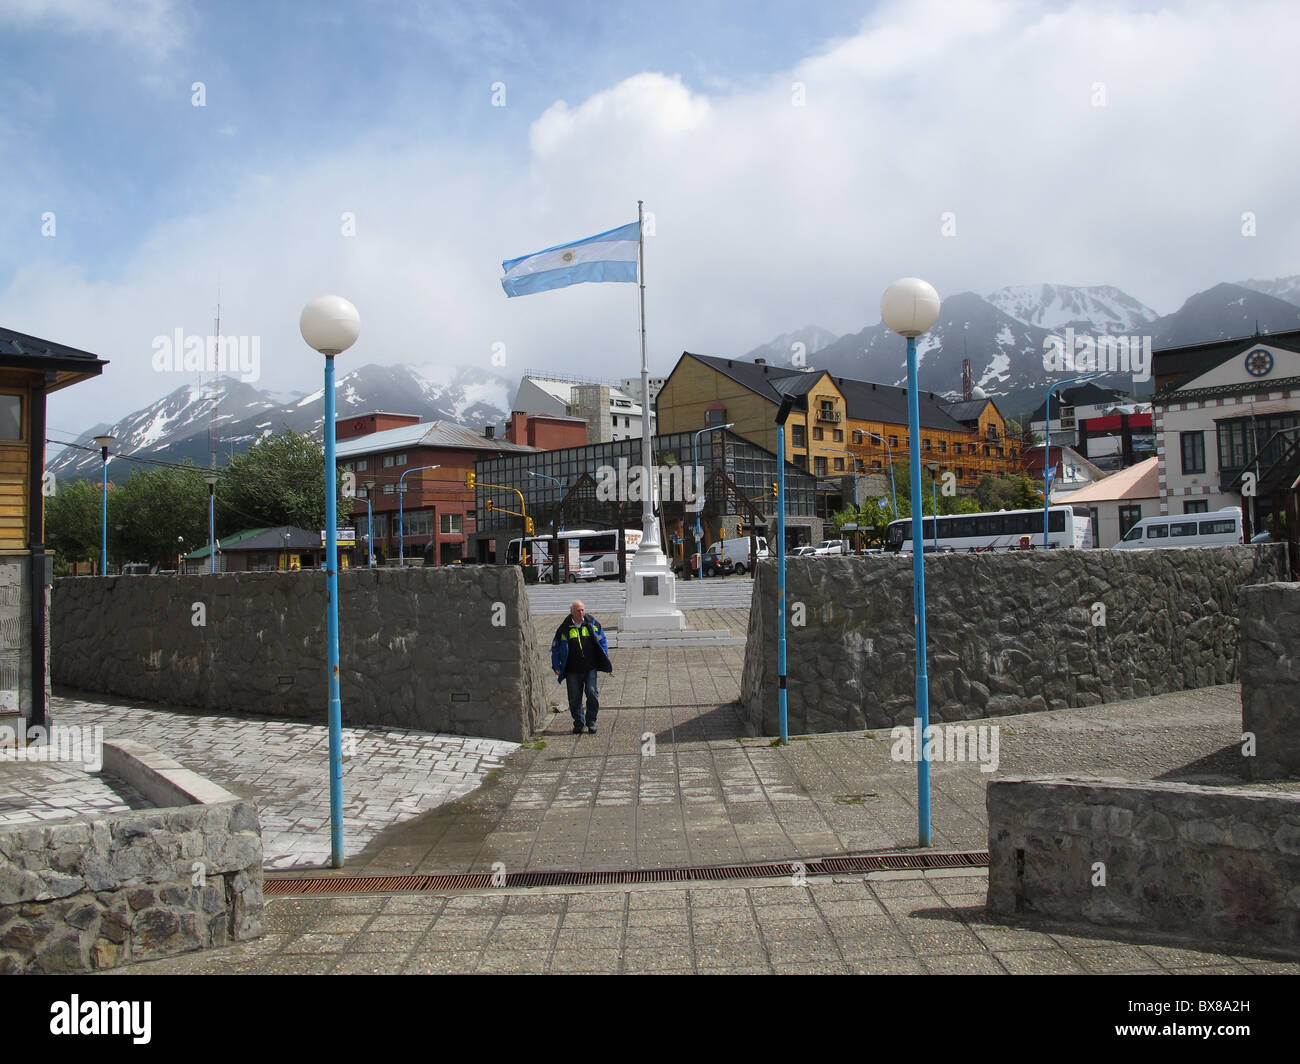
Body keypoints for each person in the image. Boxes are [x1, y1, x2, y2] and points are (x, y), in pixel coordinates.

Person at [550, 599, 612, 734]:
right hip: (572, 669)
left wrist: (605, 655)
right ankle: (579, 722)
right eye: (578, 610)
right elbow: (555, 648)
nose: (581, 612)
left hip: (590, 667)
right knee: (574, 697)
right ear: (571, 612)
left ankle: (591, 721)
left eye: (583, 609)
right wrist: (556, 665)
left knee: (592, 693)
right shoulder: (564, 629)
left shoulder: (593, 624)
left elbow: (602, 639)